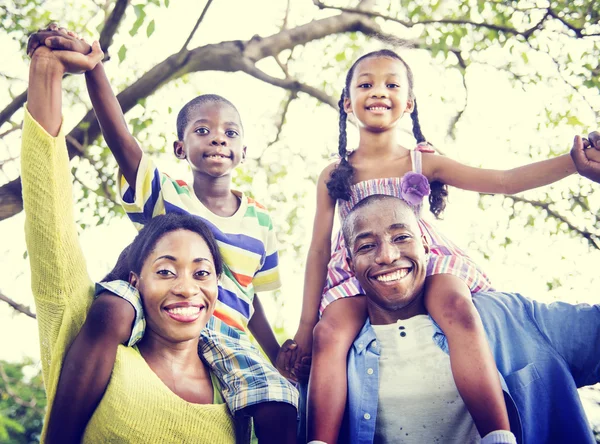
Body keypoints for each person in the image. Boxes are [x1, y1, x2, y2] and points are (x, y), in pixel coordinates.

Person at [287, 49, 592, 444]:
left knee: (457, 307)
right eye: (365, 84)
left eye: (391, 84)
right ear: (347, 103)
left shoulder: (422, 161)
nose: (378, 91)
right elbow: (317, 249)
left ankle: (498, 435)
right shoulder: (334, 172)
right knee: (330, 333)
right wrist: (305, 326)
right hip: (358, 270)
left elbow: (502, 180)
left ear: (409, 103)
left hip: (424, 264)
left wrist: (574, 162)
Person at [26, 27, 299, 443]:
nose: (218, 139)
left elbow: (251, 296)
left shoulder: (261, 222)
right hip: (153, 306)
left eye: (230, 132)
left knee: (280, 402)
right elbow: (120, 137)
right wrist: (95, 67)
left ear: (244, 150)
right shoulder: (167, 195)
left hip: (227, 334)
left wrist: (275, 353)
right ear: (179, 147)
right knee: (110, 311)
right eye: (202, 131)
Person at [340, 192, 600, 443]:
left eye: (401, 237)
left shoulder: (511, 317)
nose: (387, 255)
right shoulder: (334, 360)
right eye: (366, 246)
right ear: (350, 265)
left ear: (426, 247)